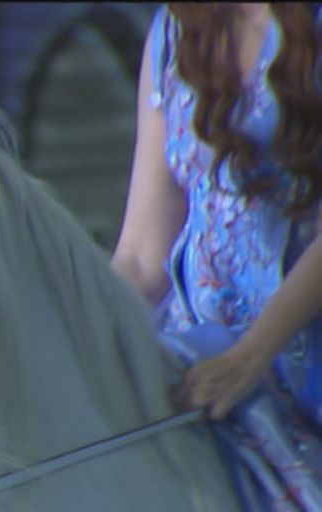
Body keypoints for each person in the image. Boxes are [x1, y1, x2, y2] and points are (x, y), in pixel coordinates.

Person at [111, 3, 322, 426]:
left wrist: (251, 356)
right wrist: (80, 334)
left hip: (299, 369)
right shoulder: (174, 31)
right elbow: (140, 257)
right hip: (193, 362)